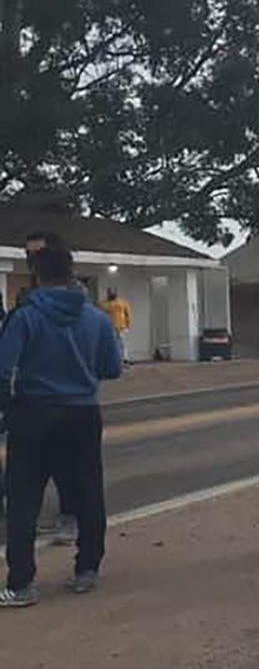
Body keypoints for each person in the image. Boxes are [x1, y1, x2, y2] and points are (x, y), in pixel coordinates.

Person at [0, 244, 123, 608]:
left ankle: (22, 584)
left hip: (34, 413)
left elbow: (4, 367)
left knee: (23, 501)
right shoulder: (97, 319)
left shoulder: (24, 317)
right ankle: (87, 569)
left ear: (37, 275)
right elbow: (112, 368)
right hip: (82, 414)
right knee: (87, 493)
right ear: (72, 273)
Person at [18, 231, 78, 546]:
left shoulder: (74, 292)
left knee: (67, 464)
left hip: (69, 391)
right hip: (34, 393)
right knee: (32, 463)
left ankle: (71, 517)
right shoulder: (27, 296)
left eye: (37, 253)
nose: (32, 260)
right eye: (28, 254)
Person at [98, 288, 133, 365]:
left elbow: (128, 314)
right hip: (109, 327)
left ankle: (125, 359)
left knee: (122, 344)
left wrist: (128, 325)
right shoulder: (103, 304)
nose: (112, 294)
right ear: (108, 293)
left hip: (121, 327)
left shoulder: (122, 302)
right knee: (110, 344)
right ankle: (112, 360)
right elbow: (100, 315)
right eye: (110, 293)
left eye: (113, 292)